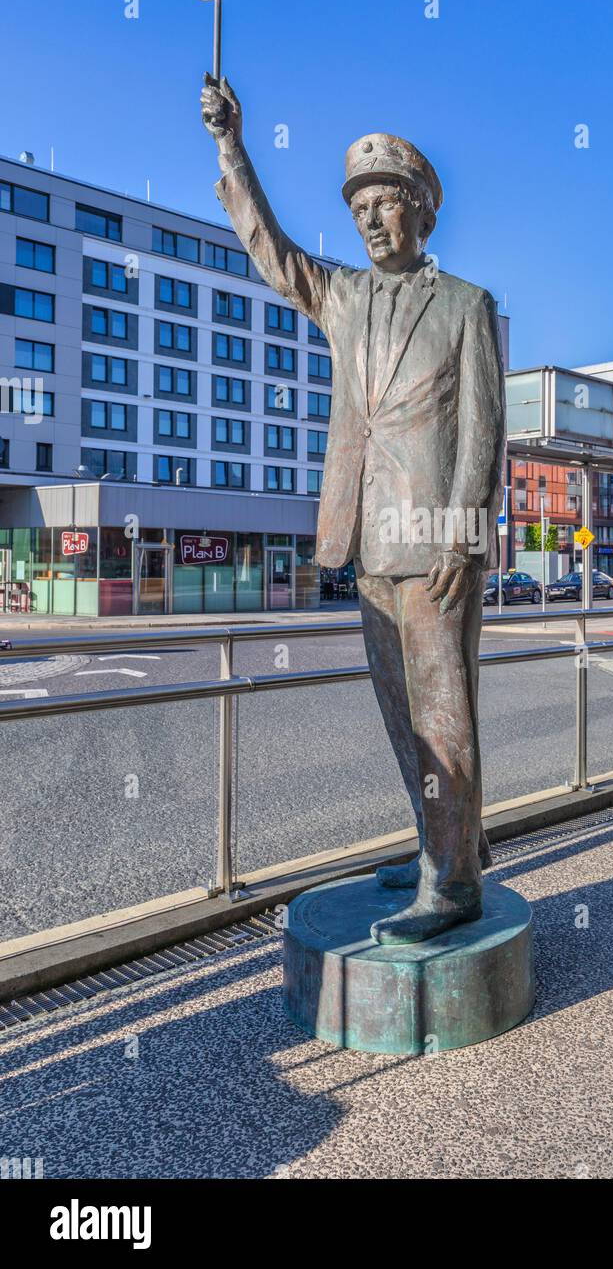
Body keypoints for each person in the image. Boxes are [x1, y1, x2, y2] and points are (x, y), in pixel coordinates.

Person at [201, 76, 505, 944]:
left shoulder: (465, 306)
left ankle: (452, 883)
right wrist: (233, 147)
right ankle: (444, 843)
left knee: (442, 713)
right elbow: (270, 247)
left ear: (423, 214)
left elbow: (484, 430)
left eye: (387, 204)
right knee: (398, 712)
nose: (372, 221)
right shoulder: (342, 299)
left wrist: (462, 531)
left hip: (436, 542)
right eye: (361, 207)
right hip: (368, 536)